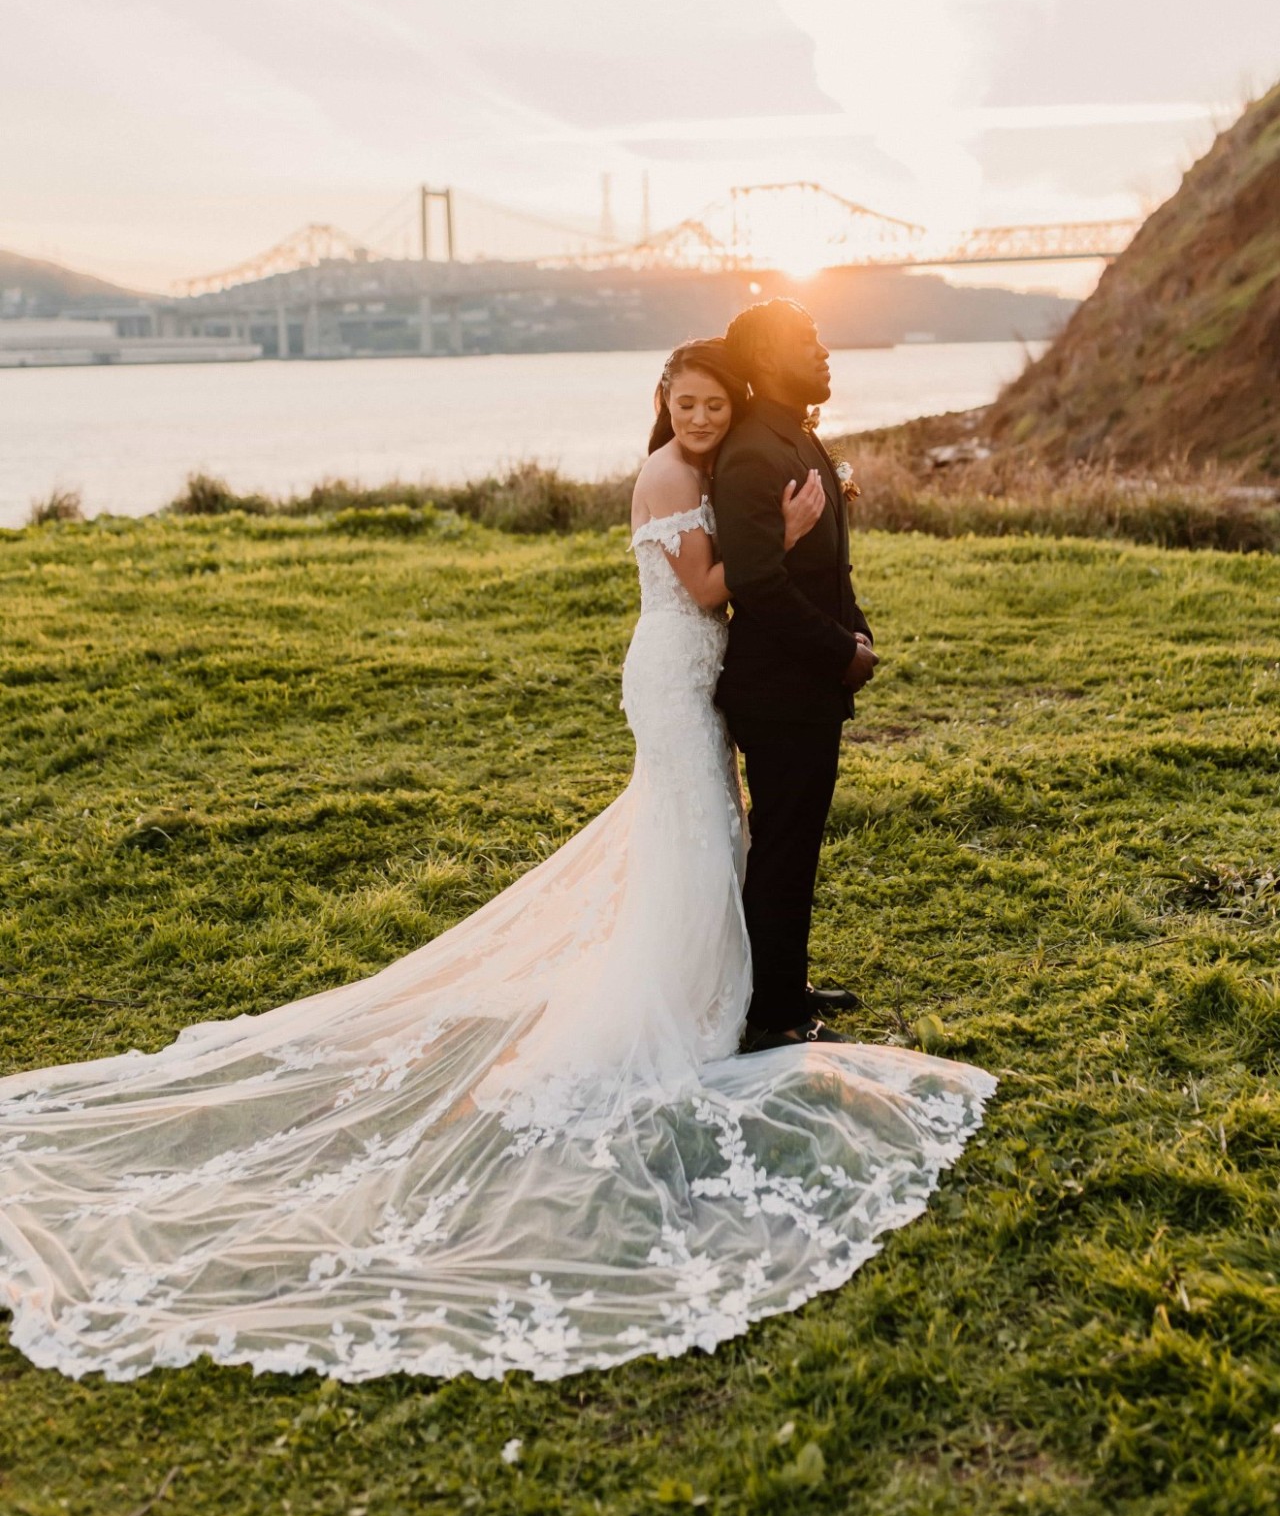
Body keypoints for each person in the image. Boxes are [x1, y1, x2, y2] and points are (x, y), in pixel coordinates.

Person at [0, 339, 993, 1388]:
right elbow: (706, 591)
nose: (700, 417)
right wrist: (787, 532)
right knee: (697, 830)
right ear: (662, 402)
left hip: (689, 678)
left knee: (705, 835)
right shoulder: (664, 473)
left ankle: (717, 984)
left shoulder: (701, 465)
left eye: (713, 403)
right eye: (685, 402)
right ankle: (696, 999)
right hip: (671, 671)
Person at [714, 298, 876, 1051]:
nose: (823, 351)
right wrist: (840, 655)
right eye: (806, 342)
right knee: (784, 847)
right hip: (780, 690)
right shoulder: (753, 453)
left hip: (804, 682)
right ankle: (775, 1016)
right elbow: (758, 585)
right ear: (768, 361)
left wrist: (860, 627)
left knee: (795, 844)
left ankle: (787, 982)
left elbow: (822, 569)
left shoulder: (797, 435)